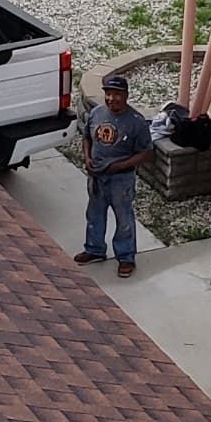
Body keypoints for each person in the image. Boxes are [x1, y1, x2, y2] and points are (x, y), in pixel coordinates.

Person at [76, 73, 153, 277]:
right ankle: (94, 249)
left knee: (124, 218)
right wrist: (87, 158)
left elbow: (146, 152)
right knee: (94, 214)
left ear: (125, 95)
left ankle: (126, 257)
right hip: (96, 176)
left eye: (116, 94)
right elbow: (86, 137)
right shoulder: (97, 113)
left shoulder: (136, 122)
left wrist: (120, 166)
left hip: (121, 180)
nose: (111, 98)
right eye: (108, 94)